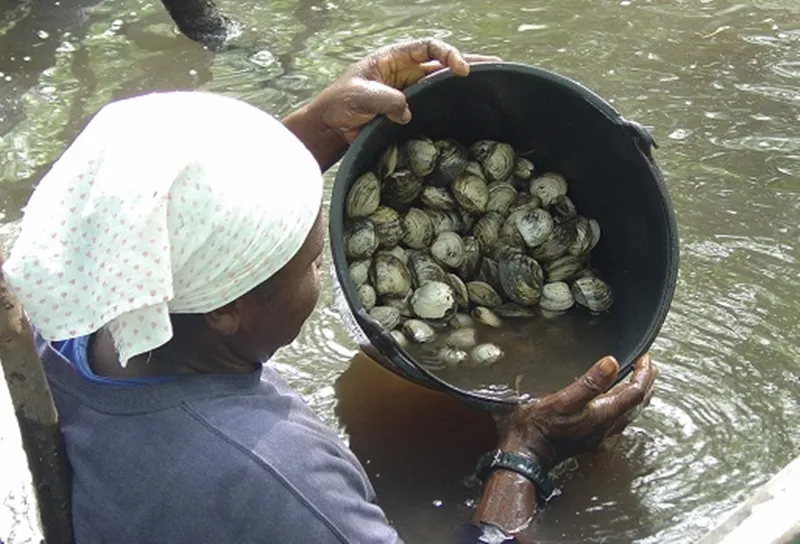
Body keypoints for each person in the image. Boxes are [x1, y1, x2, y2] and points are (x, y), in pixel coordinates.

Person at [2, 38, 658, 544]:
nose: (326, 272)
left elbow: (168, 225)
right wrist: (525, 458)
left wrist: (320, 123)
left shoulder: (63, 306)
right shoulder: (278, 477)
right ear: (230, 310)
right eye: (315, 260)